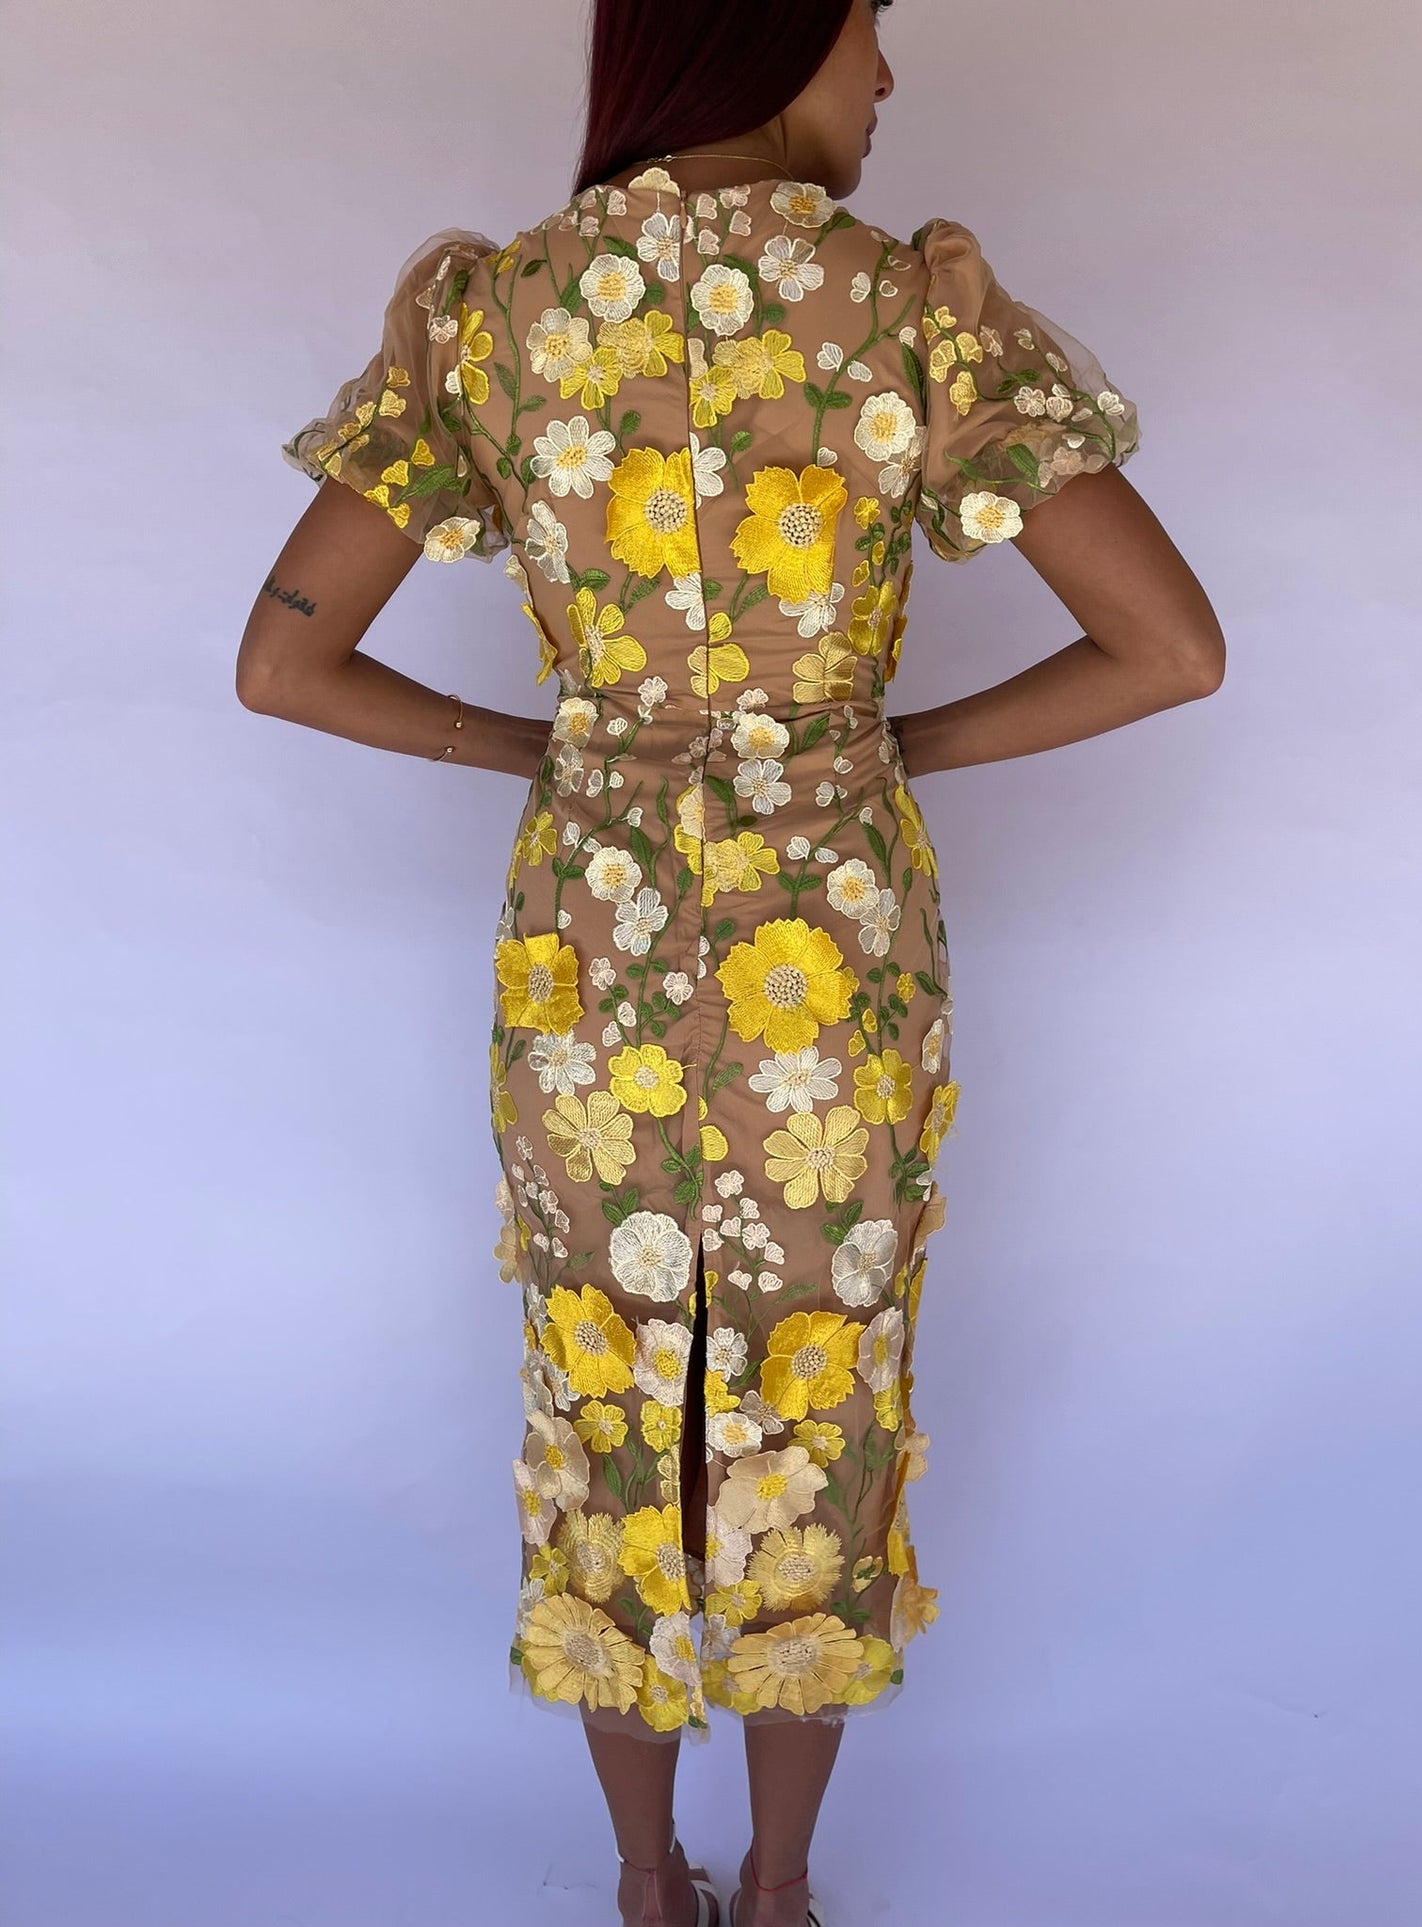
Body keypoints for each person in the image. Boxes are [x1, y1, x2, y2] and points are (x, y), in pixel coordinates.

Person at [237, 0, 1225, 1919]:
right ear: (760, 34)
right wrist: (882, 746)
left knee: (607, 1395)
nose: (884, 77)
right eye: (865, 29)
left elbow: (284, 663)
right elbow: (1169, 650)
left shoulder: (496, 314)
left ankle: (643, 1885)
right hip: (831, 954)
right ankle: (778, 1893)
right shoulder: (908, 311)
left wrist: (555, 753)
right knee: (813, 1395)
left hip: (583, 953)